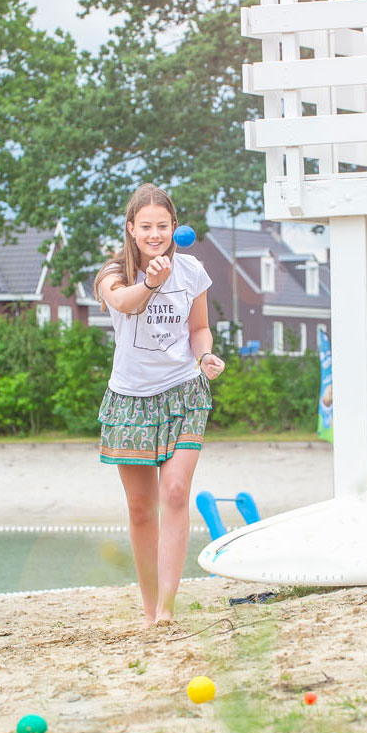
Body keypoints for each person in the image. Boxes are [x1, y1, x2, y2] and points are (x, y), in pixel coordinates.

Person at [94, 183, 225, 626]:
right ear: (131, 229)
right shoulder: (112, 272)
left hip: (183, 392)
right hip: (129, 399)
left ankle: (167, 606)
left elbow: (200, 328)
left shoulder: (192, 271)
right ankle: (149, 606)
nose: (155, 234)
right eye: (146, 226)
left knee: (174, 492)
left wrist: (205, 354)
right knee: (139, 509)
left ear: (174, 228)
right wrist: (151, 281)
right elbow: (125, 303)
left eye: (163, 226)